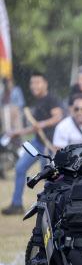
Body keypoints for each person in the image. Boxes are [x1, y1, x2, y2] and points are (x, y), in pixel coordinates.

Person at [2, 72, 63, 215]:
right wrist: (18, 132)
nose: (34, 86)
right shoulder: (39, 101)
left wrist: (42, 124)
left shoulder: (51, 99)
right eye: (32, 83)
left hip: (50, 143)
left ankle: (54, 207)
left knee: (49, 176)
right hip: (37, 142)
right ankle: (17, 204)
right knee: (20, 168)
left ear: (45, 84)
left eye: (37, 82)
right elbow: (36, 126)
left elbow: (58, 117)